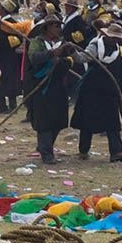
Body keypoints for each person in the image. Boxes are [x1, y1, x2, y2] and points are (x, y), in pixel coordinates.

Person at [71, 24, 122, 162]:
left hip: (110, 89)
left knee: (113, 121)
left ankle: (116, 152)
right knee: (87, 120)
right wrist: (72, 51)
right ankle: (83, 150)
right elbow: (81, 58)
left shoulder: (118, 50)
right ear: (106, 35)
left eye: (117, 38)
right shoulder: (95, 45)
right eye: (112, 37)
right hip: (91, 88)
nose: (114, 40)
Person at [25, 14, 76, 163]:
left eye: (60, 26)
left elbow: (71, 61)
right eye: (56, 26)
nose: (59, 29)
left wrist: (68, 54)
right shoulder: (37, 42)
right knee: (44, 121)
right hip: (41, 87)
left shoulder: (62, 43)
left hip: (58, 86)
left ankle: (45, 146)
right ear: (47, 27)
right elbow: (34, 58)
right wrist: (51, 54)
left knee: (58, 119)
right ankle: (47, 153)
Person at [0, 2, 26, 112]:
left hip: (9, 57)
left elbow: (17, 39)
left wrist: (0, 41)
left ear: (5, 10)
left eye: (0, 8)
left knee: (10, 81)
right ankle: (1, 104)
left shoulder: (11, 23)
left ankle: (12, 105)